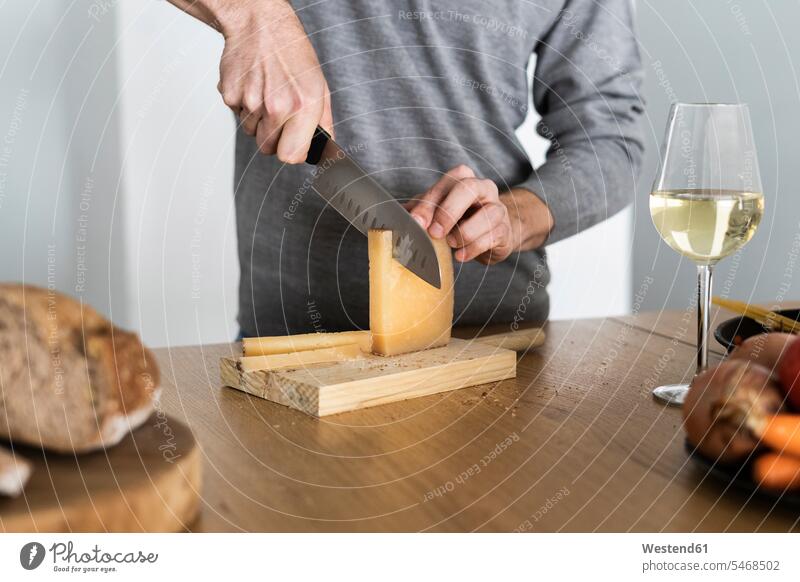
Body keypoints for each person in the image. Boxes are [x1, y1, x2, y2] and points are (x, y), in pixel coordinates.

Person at [167, 0, 644, 336]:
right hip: (288, 344)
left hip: (491, 342)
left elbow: (610, 136)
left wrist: (515, 218)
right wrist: (253, 15)